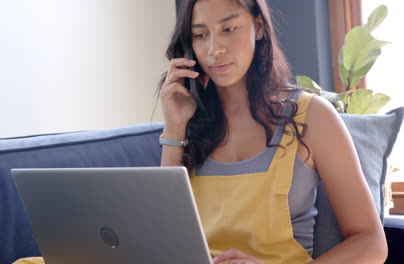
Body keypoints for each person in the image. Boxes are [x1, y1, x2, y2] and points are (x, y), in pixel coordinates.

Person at [158, 0, 387, 263]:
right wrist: (174, 127)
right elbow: (165, 241)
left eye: (229, 29)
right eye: (200, 35)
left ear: (258, 28)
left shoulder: (312, 116)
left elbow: (372, 244)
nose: (215, 49)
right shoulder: (186, 123)